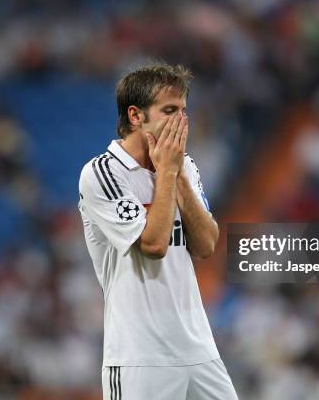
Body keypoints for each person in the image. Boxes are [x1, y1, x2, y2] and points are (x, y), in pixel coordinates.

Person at [78, 63, 239, 400]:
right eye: (169, 111)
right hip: (141, 356)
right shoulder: (103, 173)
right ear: (136, 117)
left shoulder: (186, 166)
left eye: (183, 111)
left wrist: (177, 174)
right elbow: (153, 244)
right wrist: (166, 173)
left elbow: (207, 244)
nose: (181, 121)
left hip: (198, 348)